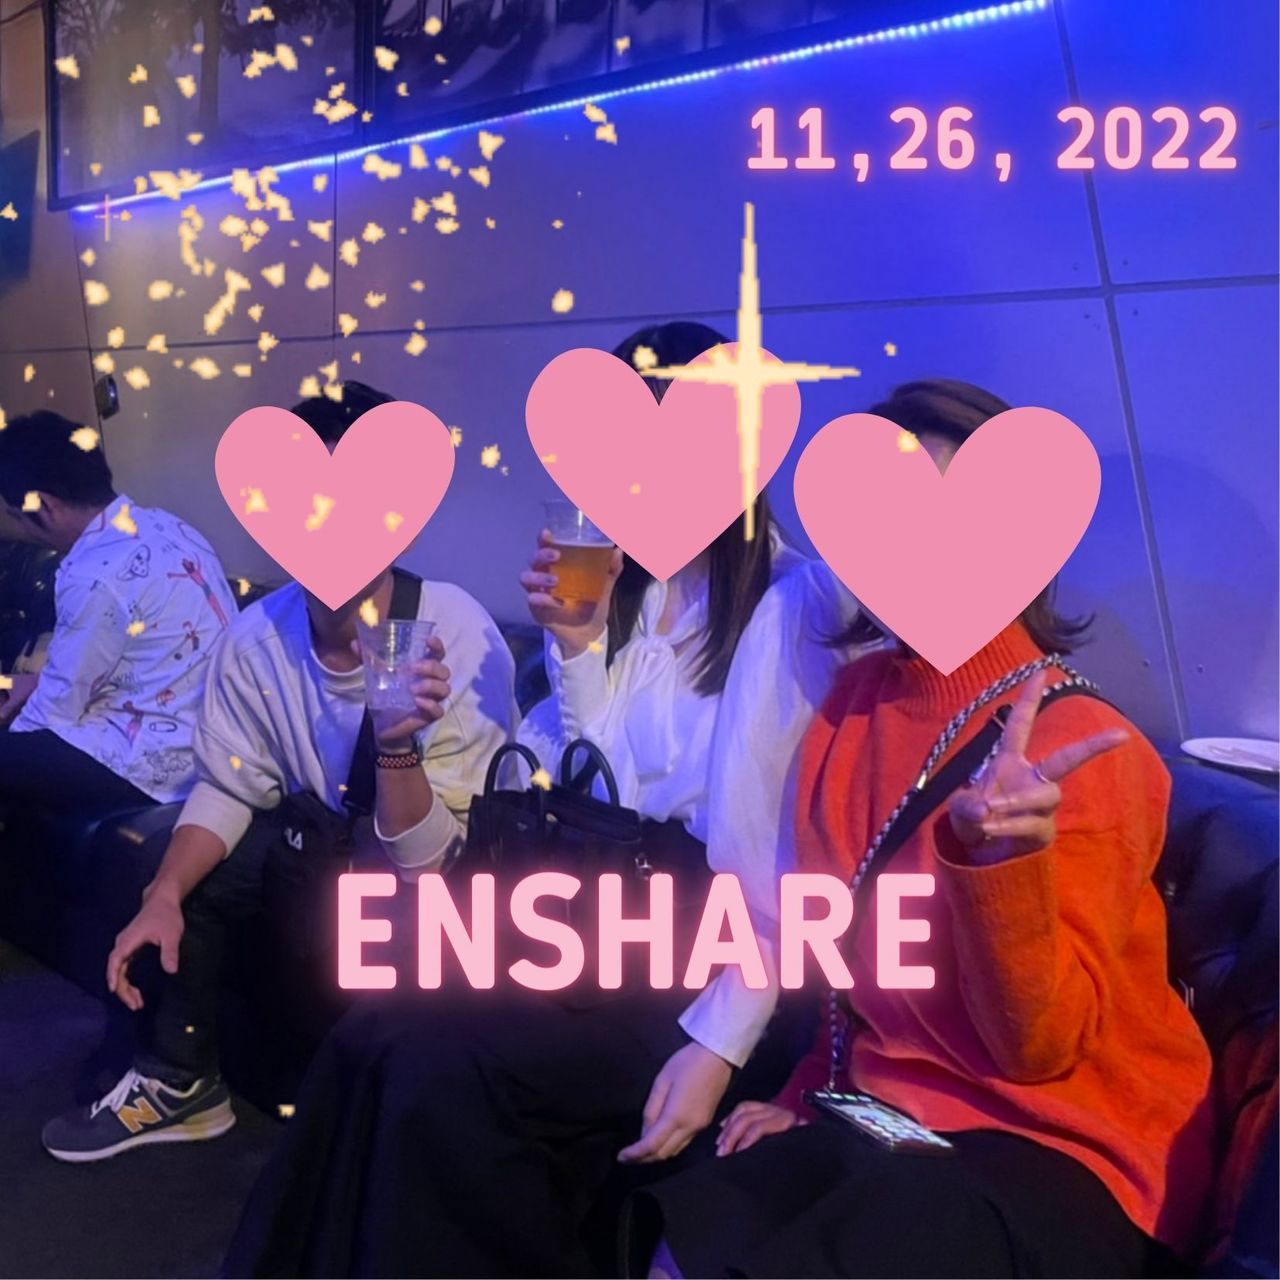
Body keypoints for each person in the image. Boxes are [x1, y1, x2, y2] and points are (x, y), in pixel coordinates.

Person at [224, 322, 862, 1277]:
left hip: (715, 957)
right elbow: (594, 798)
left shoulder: (792, 606)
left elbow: (771, 863)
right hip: (593, 929)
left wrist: (720, 1044)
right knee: (372, 1038)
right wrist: (575, 648)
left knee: (439, 1070)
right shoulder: (628, 593)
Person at [630, 380, 1215, 1279]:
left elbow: (1038, 1051)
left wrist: (1005, 863)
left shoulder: (1087, 748)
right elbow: (838, 944)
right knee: (691, 1228)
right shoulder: (854, 707)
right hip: (896, 1121)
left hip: (1064, 1148)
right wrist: (809, 1093)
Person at [40, 382, 518, 1163]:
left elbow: (435, 869)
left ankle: (391, 1123)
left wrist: (396, 743)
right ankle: (181, 1081)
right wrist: (163, 894)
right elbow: (231, 785)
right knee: (181, 865)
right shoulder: (257, 637)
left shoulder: (451, 631)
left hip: (441, 878)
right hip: (329, 848)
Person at [0, 410, 235, 816]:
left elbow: (54, 711)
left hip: (158, 762)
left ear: (47, 506)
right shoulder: (167, 525)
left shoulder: (92, 575)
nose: (22, 529)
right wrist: (33, 682)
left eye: (19, 518)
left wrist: (11, 738)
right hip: (211, 734)